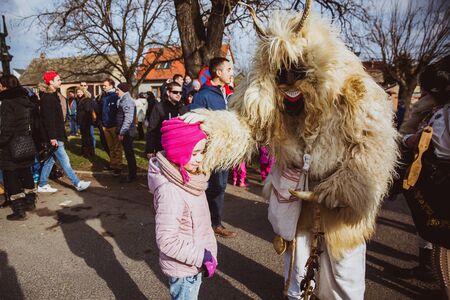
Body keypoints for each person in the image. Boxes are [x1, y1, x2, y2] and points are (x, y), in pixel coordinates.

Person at [148, 117, 217, 300]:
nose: (200, 159)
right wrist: (202, 257)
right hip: (185, 269)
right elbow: (166, 240)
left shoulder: (191, 178)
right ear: (179, 153)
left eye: (202, 152)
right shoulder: (171, 190)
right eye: (194, 153)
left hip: (194, 263)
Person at [190, 57, 236, 238]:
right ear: (218, 73)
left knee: (221, 186)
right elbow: (195, 122)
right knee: (211, 186)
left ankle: (215, 222)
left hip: (226, 149)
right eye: (229, 70)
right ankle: (205, 222)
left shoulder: (227, 94)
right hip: (210, 151)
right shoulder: (203, 95)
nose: (231, 73)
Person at [37, 71, 91, 193]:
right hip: (54, 136)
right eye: (58, 79)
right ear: (50, 82)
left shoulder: (54, 95)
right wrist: (52, 137)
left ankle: (42, 184)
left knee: (50, 160)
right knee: (64, 160)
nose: (60, 81)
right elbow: (48, 120)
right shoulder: (48, 97)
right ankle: (77, 183)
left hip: (57, 135)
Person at [0, 74, 37, 220]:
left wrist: (1, 141)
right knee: (26, 172)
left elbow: (7, 128)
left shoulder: (7, 102)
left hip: (10, 146)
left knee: (11, 176)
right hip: (25, 142)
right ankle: (30, 201)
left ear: (4, 86)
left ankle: (19, 210)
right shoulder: (24, 99)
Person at [145, 82, 188, 157]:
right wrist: (150, 149)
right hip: (162, 147)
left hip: (180, 147)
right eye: (175, 92)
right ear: (168, 92)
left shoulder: (183, 108)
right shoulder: (159, 107)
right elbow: (152, 129)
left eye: (180, 93)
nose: (178, 94)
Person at [99, 79, 121, 175]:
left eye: (105, 85)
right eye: (103, 85)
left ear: (111, 85)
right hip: (105, 125)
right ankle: (113, 164)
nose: (103, 87)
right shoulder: (104, 97)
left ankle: (118, 166)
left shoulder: (115, 96)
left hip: (114, 125)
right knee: (111, 147)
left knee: (117, 147)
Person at [116, 83, 137, 183]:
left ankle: (132, 175)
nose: (116, 92)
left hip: (128, 132)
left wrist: (122, 133)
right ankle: (132, 174)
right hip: (126, 131)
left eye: (118, 90)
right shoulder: (123, 99)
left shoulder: (127, 101)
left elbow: (128, 119)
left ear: (123, 90)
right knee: (129, 153)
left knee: (129, 154)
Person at [76, 87, 95, 157]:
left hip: (85, 121)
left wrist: (83, 119)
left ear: (83, 92)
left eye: (80, 92)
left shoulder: (86, 100)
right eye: (77, 92)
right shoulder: (80, 99)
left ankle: (88, 153)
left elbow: (88, 110)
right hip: (82, 121)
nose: (79, 93)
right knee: (85, 137)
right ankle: (86, 151)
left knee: (87, 137)